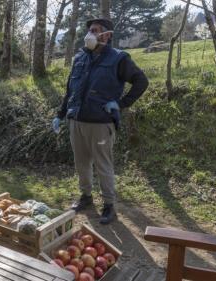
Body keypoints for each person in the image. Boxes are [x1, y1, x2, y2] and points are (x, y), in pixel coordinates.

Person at [52, 18, 148, 224]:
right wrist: (60, 115)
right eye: (89, 31)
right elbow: (71, 91)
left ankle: (109, 206)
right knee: (81, 164)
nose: (90, 35)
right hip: (76, 121)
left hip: (101, 124)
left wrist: (120, 104)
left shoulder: (119, 59)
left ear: (107, 35)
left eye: (95, 31)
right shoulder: (79, 58)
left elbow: (142, 81)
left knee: (103, 165)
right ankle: (86, 197)